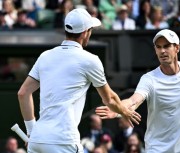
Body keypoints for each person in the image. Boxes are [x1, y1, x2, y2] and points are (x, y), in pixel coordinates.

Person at [17, 8, 141, 153]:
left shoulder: (45, 56)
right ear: (84, 33)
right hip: (64, 141)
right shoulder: (90, 60)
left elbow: (23, 93)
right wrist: (125, 111)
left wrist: (32, 132)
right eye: (90, 29)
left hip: (38, 140)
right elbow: (110, 99)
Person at [96, 29, 180, 152]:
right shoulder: (149, 79)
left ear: (177, 48)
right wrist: (118, 108)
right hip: (158, 149)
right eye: (158, 47)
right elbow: (133, 101)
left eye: (167, 46)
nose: (162, 51)